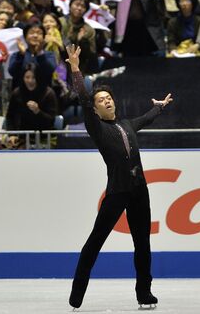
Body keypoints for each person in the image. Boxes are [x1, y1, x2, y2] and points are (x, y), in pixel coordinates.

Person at [65, 44, 173, 310]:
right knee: (95, 241)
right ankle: (77, 293)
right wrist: (77, 70)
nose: (106, 101)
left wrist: (159, 108)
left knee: (142, 244)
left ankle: (144, 293)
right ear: (96, 109)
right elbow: (82, 97)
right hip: (117, 191)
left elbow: (145, 119)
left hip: (139, 190)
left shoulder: (126, 124)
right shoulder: (97, 128)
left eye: (108, 98)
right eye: (100, 100)